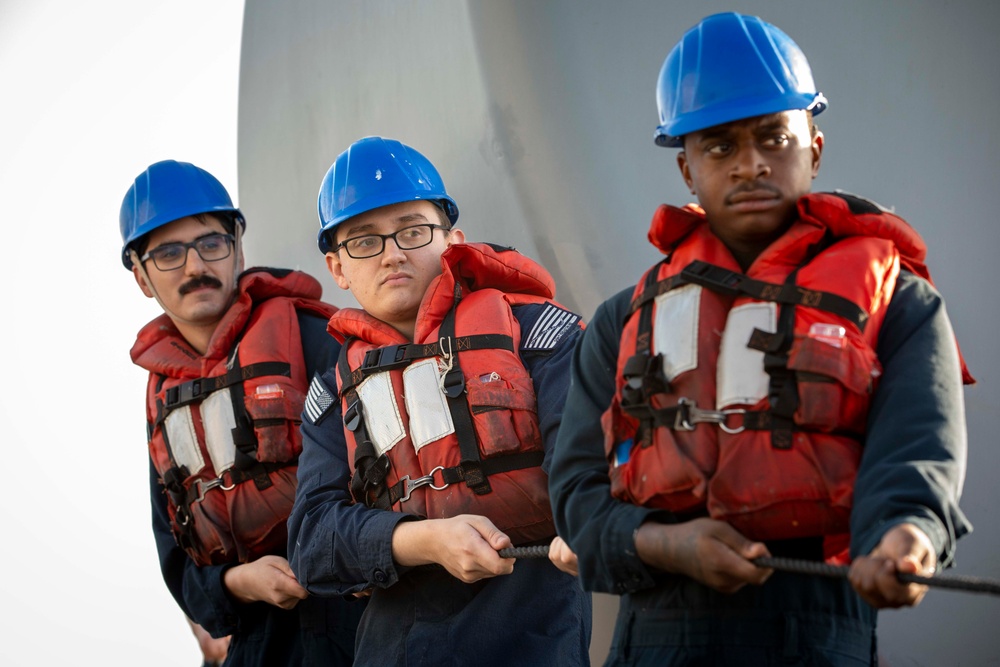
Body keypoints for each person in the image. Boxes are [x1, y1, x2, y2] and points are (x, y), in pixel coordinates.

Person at [548, 12, 974, 666]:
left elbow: (918, 457)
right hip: (656, 634)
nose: (750, 164)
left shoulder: (900, 305)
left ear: (815, 148)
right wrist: (666, 543)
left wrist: (905, 538)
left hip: (821, 627)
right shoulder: (619, 321)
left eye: (774, 137)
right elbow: (577, 496)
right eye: (719, 145)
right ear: (687, 171)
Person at [286, 136, 593, 665]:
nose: (393, 253)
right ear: (337, 269)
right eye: (365, 241)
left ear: (452, 238)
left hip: (533, 637)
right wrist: (424, 540)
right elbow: (312, 543)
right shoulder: (333, 390)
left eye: (413, 230)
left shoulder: (540, 334)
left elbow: (586, 469)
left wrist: (587, 522)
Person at [120, 160, 365, 666]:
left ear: (238, 246)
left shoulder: (316, 339)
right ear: (142, 276)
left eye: (211, 243)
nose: (194, 267)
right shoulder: (164, 403)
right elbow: (176, 558)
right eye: (168, 254)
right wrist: (238, 583)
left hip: (364, 620)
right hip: (256, 641)